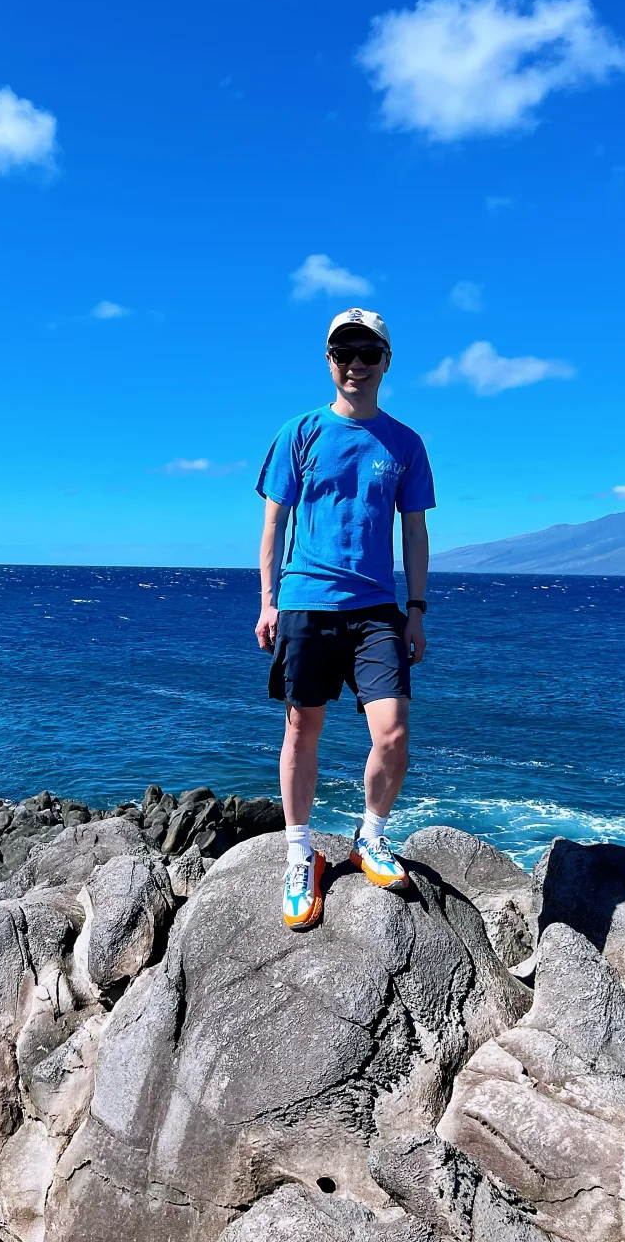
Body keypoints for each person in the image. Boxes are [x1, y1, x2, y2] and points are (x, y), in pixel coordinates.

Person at [255, 307, 435, 930]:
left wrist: (415, 609)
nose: (354, 364)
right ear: (328, 361)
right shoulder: (300, 432)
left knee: (392, 732)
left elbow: (414, 530)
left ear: (387, 361)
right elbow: (274, 522)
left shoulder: (406, 443)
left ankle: (371, 835)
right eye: (343, 353)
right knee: (301, 731)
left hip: (378, 609)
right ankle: (300, 854)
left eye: (367, 353)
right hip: (306, 601)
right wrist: (268, 600)